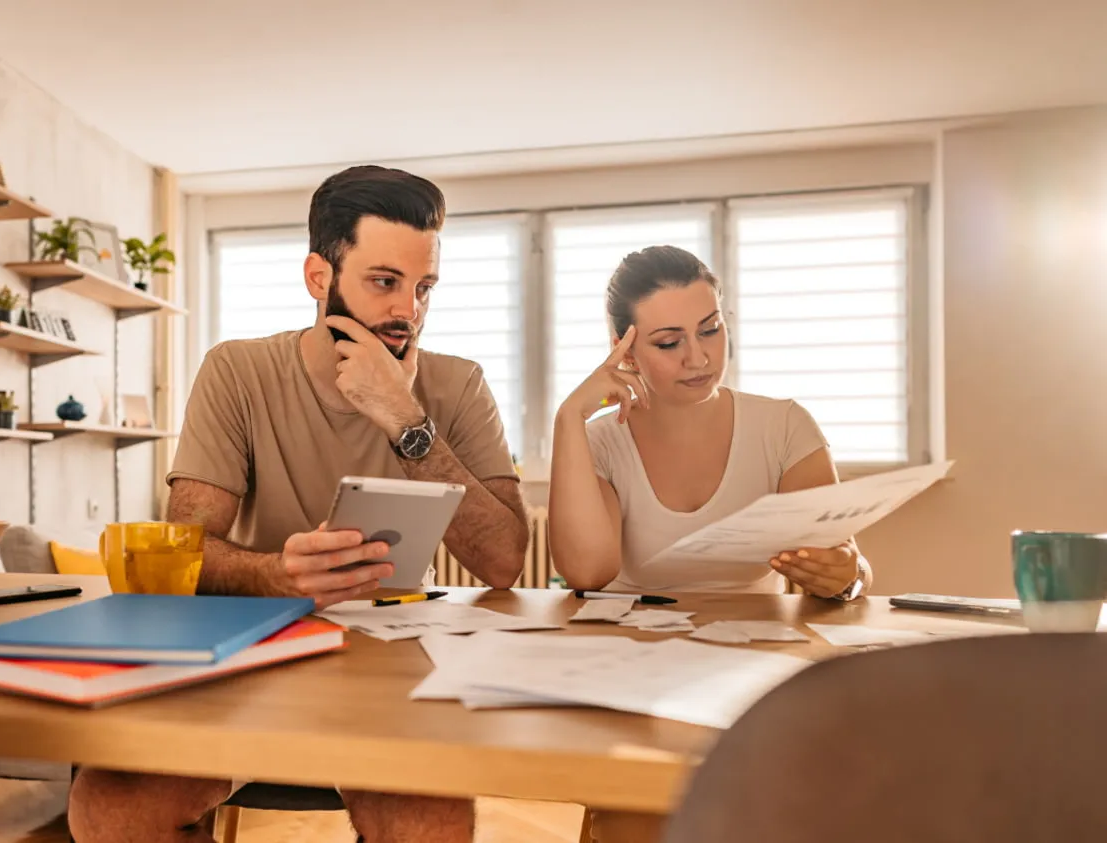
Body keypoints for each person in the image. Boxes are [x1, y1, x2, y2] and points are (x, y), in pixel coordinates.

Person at [68, 164, 530, 843]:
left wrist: (404, 417)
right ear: (320, 277)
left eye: (423, 286)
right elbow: (187, 550)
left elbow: (504, 560)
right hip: (250, 655)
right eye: (384, 282)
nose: (409, 309)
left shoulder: (458, 385)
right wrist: (275, 576)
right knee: (109, 808)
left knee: (431, 823)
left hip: (393, 666)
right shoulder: (238, 371)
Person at [548, 244, 872, 599]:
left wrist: (848, 578)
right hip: (632, 642)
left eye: (710, 330)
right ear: (625, 353)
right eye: (669, 343)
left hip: (754, 641)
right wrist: (569, 417)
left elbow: (850, 563)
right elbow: (586, 573)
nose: (698, 358)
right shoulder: (600, 443)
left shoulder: (785, 427)